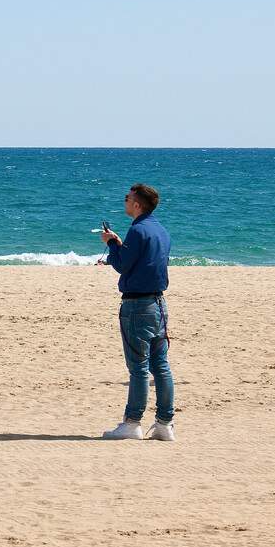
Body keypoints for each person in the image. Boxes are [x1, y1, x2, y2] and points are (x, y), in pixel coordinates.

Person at [99, 183, 176, 441]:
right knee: (161, 366)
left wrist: (111, 244)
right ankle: (165, 423)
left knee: (139, 368)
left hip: (138, 305)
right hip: (158, 304)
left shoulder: (139, 230)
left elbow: (123, 265)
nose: (125, 201)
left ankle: (132, 423)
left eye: (127, 198)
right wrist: (120, 245)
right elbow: (142, 261)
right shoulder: (161, 230)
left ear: (137, 204)